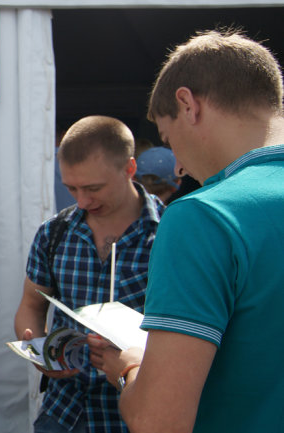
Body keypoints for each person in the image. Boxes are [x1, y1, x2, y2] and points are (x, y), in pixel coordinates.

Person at [88, 29, 284, 433]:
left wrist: (131, 366)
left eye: (168, 138)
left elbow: (159, 421)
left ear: (187, 104)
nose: (177, 168)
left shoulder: (204, 215)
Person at [14, 115, 165, 433]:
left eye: (93, 188)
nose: (82, 201)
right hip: (65, 411)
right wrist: (39, 350)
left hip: (139, 413)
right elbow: (30, 305)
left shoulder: (171, 233)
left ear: (129, 169)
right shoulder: (54, 232)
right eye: (71, 187)